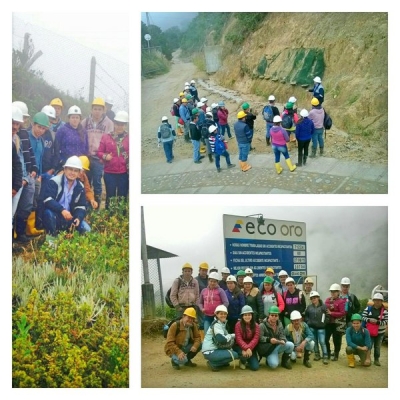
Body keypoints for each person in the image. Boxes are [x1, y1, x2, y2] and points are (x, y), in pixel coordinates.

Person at [41, 156, 90, 238]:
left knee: (87, 229)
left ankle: (71, 241)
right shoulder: (55, 181)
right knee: (48, 213)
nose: (72, 173)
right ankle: (52, 240)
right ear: (64, 169)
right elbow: (48, 200)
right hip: (56, 216)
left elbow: (81, 206)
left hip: (70, 218)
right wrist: (62, 210)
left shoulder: (80, 187)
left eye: (75, 171)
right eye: (70, 169)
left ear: (79, 173)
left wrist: (78, 217)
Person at [13, 102, 39, 243]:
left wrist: (34, 168)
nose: (20, 122)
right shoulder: (13, 135)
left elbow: (30, 153)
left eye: (23, 119)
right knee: (13, 208)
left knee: (26, 205)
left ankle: (21, 233)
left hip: (28, 176)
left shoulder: (23, 134)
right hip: (18, 177)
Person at [81, 97, 114, 205]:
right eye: (95, 109)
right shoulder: (85, 122)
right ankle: (87, 206)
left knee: (98, 183)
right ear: (91, 109)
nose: (97, 111)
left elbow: (110, 140)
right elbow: (80, 137)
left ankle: (97, 207)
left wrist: (105, 156)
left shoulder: (108, 123)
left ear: (104, 110)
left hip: (99, 158)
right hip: (86, 157)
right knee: (86, 182)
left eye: (99, 109)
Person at [97, 111, 129, 209]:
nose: (119, 127)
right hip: (109, 173)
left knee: (122, 197)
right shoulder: (106, 137)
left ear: (125, 125)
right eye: (117, 124)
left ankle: (121, 218)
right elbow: (99, 152)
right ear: (114, 124)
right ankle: (109, 217)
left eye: (122, 124)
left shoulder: (130, 138)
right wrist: (105, 156)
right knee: (110, 197)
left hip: (124, 173)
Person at [202, 305, 239, 371]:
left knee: (230, 353)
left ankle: (220, 362)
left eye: (225, 314)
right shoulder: (216, 325)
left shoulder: (221, 323)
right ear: (216, 314)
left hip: (213, 349)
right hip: (210, 351)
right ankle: (214, 364)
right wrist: (232, 335)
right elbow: (221, 340)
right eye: (221, 314)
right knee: (235, 355)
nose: (223, 315)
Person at [54, 105, 88, 173]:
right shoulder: (62, 130)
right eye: (73, 117)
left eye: (77, 117)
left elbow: (86, 148)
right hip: (66, 163)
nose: (75, 119)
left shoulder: (83, 131)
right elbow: (56, 148)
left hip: (80, 164)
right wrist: (60, 161)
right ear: (69, 118)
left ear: (80, 119)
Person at [361, 293, 388, 366]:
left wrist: (378, 322)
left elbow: (386, 321)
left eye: (379, 300)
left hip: (380, 332)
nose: (377, 302)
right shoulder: (368, 308)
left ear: (382, 301)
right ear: (373, 300)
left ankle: (376, 359)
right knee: (369, 345)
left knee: (377, 346)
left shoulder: (385, 311)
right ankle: (367, 358)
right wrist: (369, 320)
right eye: (376, 300)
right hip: (370, 331)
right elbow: (363, 317)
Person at [304, 291, 329, 364]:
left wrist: (324, 323)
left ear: (318, 298)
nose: (313, 299)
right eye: (311, 298)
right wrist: (308, 322)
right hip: (312, 327)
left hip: (321, 328)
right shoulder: (309, 307)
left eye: (315, 297)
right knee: (315, 342)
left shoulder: (323, 307)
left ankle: (325, 356)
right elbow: (306, 316)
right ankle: (317, 354)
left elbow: (328, 316)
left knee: (322, 342)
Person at [233, 305, 260, 371]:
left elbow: (256, 339)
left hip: (251, 347)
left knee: (255, 367)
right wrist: (245, 348)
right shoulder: (238, 325)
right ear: (242, 316)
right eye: (245, 315)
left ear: (252, 315)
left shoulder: (256, 325)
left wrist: (249, 348)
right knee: (243, 354)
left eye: (249, 315)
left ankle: (248, 360)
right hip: (239, 346)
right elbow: (238, 339)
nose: (247, 317)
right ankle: (242, 361)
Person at [324, 283, 347, 361]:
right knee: (325, 338)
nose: (333, 293)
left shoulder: (341, 301)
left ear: (338, 292)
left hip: (337, 323)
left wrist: (332, 313)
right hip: (329, 323)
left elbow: (342, 313)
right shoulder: (327, 300)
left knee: (336, 340)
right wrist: (333, 308)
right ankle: (328, 352)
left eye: (334, 291)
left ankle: (336, 354)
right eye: (331, 291)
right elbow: (325, 307)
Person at [12, 107, 24, 221]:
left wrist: (16, 187)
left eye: (17, 124)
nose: (15, 127)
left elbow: (18, 165)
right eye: (12, 123)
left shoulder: (15, 142)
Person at [40, 105, 58, 177]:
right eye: (47, 119)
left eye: (51, 120)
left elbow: (56, 154)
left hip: (47, 172)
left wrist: (52, 169)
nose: (49, 123)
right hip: (33, 172)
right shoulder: (33, 133)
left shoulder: (53, 135)